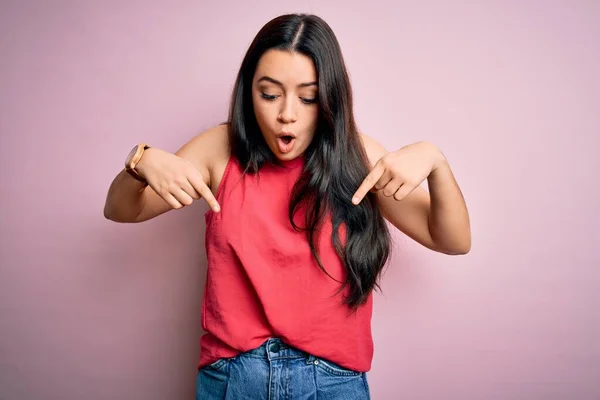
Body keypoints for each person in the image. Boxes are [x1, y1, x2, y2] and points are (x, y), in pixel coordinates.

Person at [103, 13, 471, 400]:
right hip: (234, 377)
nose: (287, 114)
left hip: (331, 381)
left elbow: (453, 240)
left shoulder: (359, 158)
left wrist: (436, 161)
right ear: (249, 92)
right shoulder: (220, 148)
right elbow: (122, 209)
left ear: (329, 98)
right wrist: (139, 163)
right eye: (270, 94)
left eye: (308, 97)